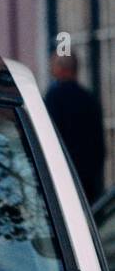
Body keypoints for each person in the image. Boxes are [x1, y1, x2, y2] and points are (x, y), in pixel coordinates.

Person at [45, 53, 106, 204]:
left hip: (62, 176)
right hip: (88, 180)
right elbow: (99, 146)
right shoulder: (89, 99)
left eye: (53, 65)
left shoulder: (53, 98)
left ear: (61, 69)